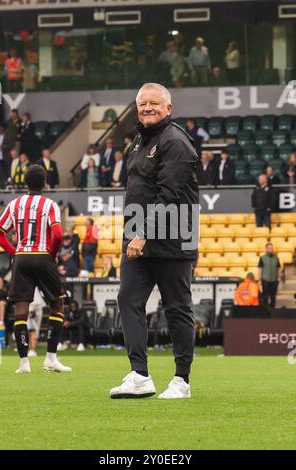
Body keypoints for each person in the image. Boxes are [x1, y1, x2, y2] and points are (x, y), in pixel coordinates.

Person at [110, 83, 198, 400]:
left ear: (168, 108)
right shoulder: (139, 141)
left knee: (177, 309)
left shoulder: (176, 143)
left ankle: (181, 381)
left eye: (154, 103)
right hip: (138, 238)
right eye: (142, 103)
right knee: (128, 299)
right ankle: (139, 375)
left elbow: (170, 196)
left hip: (173, 240)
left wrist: (143, 233)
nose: (147, 108)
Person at [0, 164, 71, 374]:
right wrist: (53, 254)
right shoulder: (50, 205)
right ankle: (51, 359)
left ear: (25, 182)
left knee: (21, 310)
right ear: (45, 182)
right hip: (42, 256)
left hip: (21, 259)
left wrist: (14, 252)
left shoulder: (14, 203)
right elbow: (56, 234)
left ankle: (23, 363)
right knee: (57, 304)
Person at [258, 243, 282, 308]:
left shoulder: (276, 258)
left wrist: (279, 278)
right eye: (269, 248)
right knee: (265, 297)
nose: (270, 249)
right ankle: (265, 312)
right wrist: (259, 280)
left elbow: (279, 267)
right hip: (265, 280)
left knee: (273, 297)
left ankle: (272, 311)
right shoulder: (262, 258)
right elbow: (260, 269)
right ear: (266, 249)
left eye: (271, 248)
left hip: (274, 280)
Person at [27, 288, 46, 357]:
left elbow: (37, 303)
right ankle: (30, 349)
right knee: (28, 331)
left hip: (34, 312)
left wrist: (31, 312)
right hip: (28, 311)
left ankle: (33, 350)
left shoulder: (34, 288)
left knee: (33, 331)